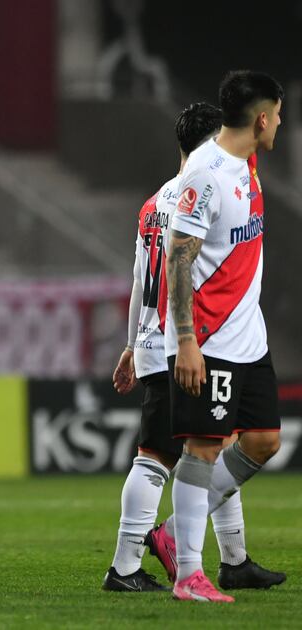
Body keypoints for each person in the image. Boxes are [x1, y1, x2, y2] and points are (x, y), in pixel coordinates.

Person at [105, 102, 283, 593]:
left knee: (217, 441)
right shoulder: (202, 193)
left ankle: (234, 557)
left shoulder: (152, 204)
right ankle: (125, 565)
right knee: (158, 456)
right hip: (182, 339)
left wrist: (130, 343)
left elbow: (142, 279)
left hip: (154, 334)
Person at [161, 70, 284, 603]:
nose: (280, 122)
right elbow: (178, 256)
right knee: (203, 448)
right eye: (277, 114)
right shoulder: (206, 174)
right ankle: (189, 572)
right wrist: (185, 339)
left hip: (248, 337)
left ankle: (170, 532)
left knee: (263, 441)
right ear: (261, 119)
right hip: (207, 338)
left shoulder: (248, 162)